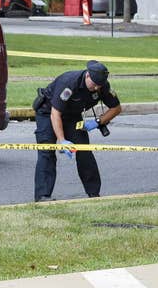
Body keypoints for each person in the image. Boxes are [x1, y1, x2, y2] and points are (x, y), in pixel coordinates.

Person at [33, 60, 122, 202]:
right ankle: (43, 196)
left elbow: (116, 108)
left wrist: (99, 121)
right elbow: (55, 114)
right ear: (87, 76)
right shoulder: (69, 83)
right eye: (94, 84)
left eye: (99, 85)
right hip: (48, 112)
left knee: (84, 151)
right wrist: (62, 140)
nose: (96, 88)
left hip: (72, 115)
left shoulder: (101, 86)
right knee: (47, 151)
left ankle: (94, 194)